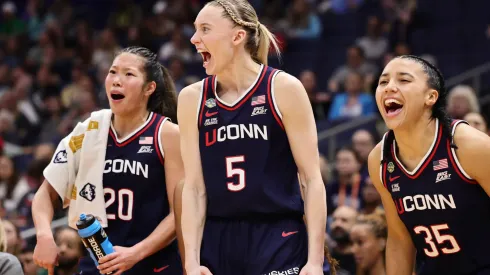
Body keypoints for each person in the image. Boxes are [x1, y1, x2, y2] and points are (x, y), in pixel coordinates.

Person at [176, 0, 328, 274]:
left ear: (237, 36)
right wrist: (191, 262)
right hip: (218, 237)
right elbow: (195, 188)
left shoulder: (283, 88)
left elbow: (311, 179)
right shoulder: (191, 98)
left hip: (277, 234)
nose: (194, 38)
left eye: (205, 29)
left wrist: (315, 262)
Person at [31, 46, 184, 275]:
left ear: (149, 88)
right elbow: (46, 193)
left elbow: (180, 214)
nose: (116, 80)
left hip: (152, 264)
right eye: (113, 72)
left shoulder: (167, 134)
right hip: (98, 264)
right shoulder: (87, 131)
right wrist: (43, 235)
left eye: (128, 74)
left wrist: (136, 253)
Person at [368, 55, 490, 275]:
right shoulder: (379, 159)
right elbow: (399, 238)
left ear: (431, 97)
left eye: (403, 80)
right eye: (383, 82)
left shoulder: (468, 145)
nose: (389, 88)